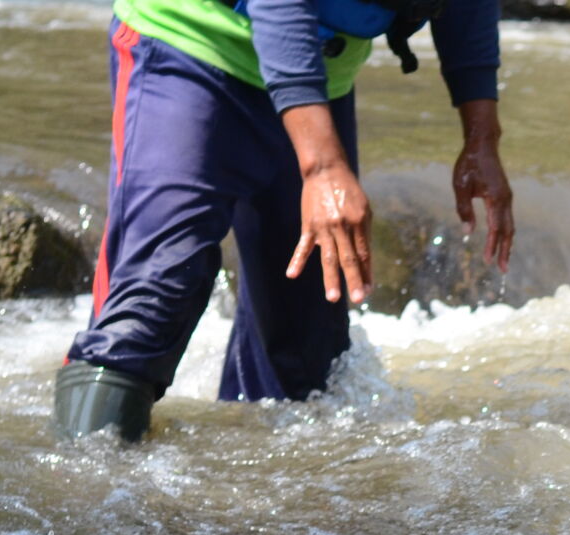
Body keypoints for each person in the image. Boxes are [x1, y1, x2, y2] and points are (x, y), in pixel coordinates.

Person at [54, 0, 513, 441]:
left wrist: (481, 137)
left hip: (318, 80)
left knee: (306, 357)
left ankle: (256, 510)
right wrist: (323, 167)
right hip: (188, 45)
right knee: (154, 296)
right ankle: (81, 501)